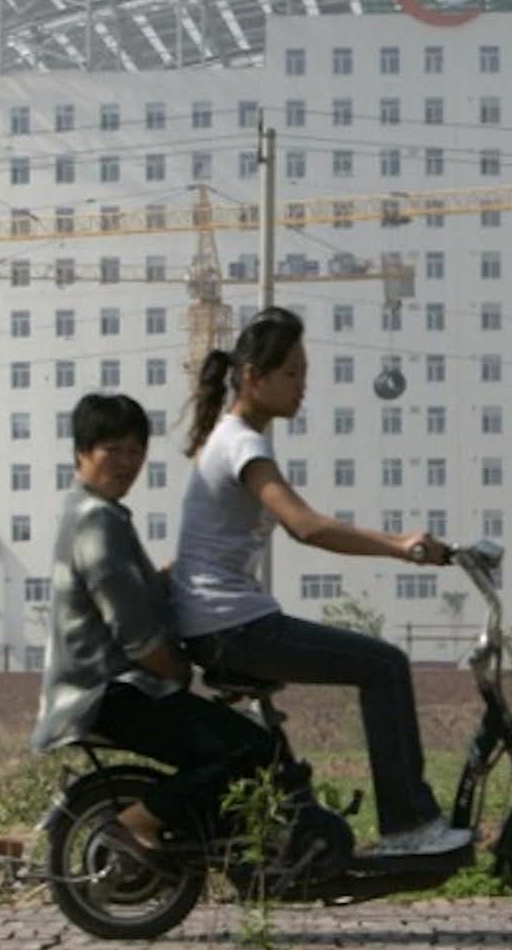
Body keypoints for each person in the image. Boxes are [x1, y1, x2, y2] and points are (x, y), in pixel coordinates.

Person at [174, 307, 473, 857]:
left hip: (221, 622)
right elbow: (305, 526)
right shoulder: (243, 443)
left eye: (304, 373)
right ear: (252, 377)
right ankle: (409, 825)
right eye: (291, 373)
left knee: (374, 668)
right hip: (231, 625)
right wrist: (400, 546)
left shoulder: (231, 438)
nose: (301, 386)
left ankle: (308, 832)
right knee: (384, 666)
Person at [32, 392, 273, 852]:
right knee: (249, 748)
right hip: (106, 692)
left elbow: (136, 589)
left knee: (235, 741)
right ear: (82, 453)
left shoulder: (94, 514)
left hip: (106, 689)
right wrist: (184, 675)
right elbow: (137, 635)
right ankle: (136, 825)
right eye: (112, 450)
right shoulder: (97, 522)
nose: (127, 463)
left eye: (135, 451)